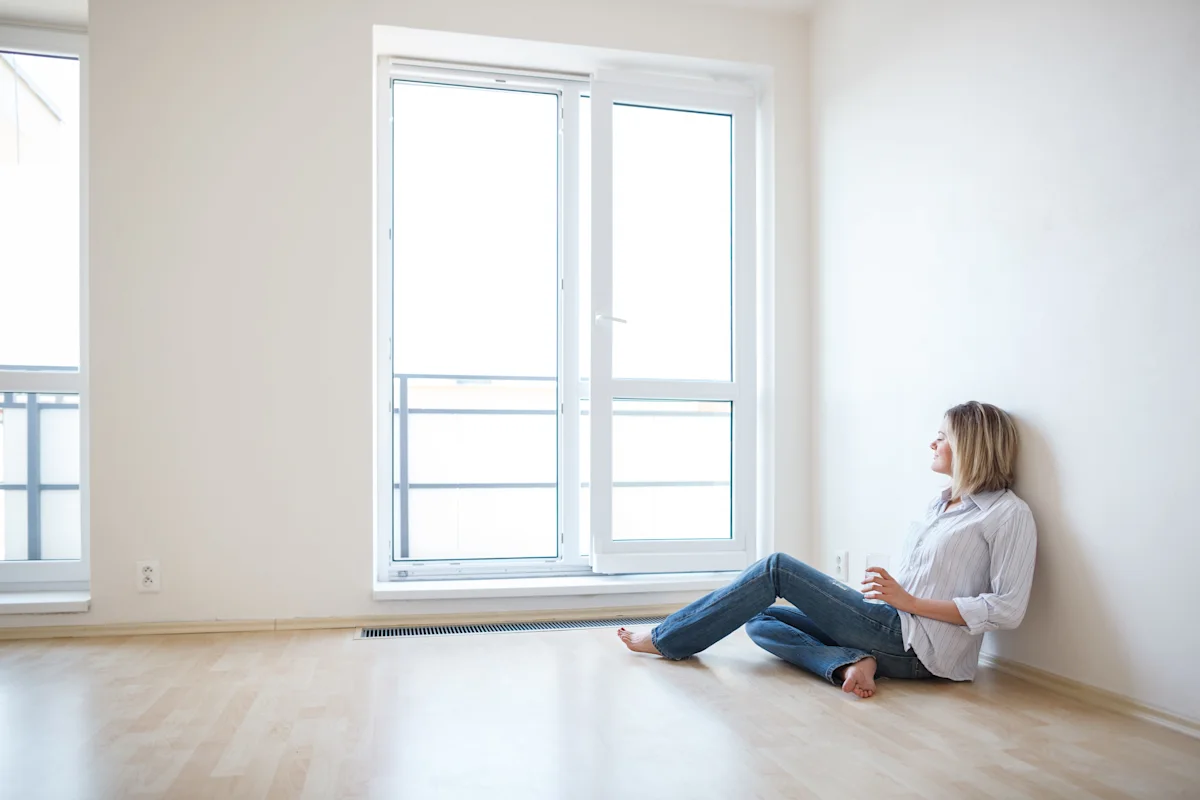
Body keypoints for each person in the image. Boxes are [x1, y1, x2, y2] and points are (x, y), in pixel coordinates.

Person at [617, 401, 1037, 698]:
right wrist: (891, 598)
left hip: (919, 649)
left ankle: (666, 639)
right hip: (891, 623)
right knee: (759, 618)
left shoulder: (1007, 514)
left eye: (942, 437)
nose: (933, 443)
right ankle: (849, 662)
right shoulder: (941, 504)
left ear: (970, 446)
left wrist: (909, 601)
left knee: (777, 569)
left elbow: (1007, 609)